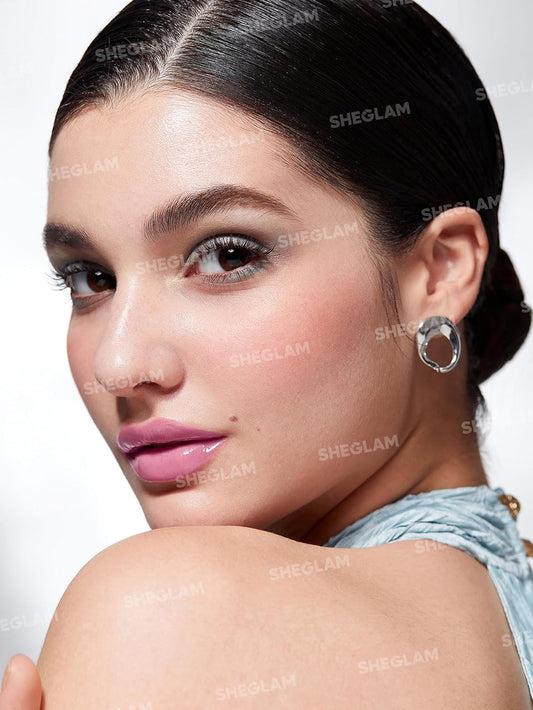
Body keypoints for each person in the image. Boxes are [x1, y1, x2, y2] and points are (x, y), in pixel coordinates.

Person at [1, 0, 532, 707]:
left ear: (438, 272)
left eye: (227, 255)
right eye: (91, 278)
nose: (118, 366)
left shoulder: (168, 611)